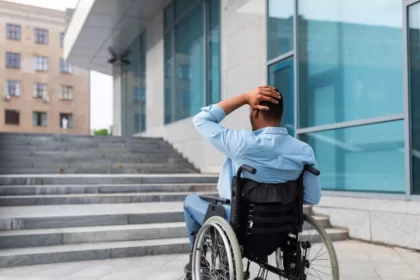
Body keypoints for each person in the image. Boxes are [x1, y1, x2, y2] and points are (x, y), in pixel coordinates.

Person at [183, 86, 321, 273]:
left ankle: (200, 263)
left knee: (190, 201)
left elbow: (201, 119)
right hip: (282, 228)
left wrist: (243, 97)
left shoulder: (240, 142)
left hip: (241, 225)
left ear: (255, 110)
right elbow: (312, 197)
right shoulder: (304, 150)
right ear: (280, 113)